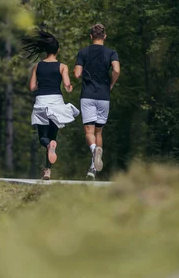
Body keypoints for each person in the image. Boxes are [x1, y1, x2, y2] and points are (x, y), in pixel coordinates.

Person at [21, 30, 80, 180]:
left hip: (42, 101)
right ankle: (48, 170)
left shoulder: (37, 66)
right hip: (56, 103)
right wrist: (70, 87)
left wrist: (39, 83)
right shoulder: (62, 67)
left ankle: (48, 149)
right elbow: (67, 85)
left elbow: (32, 87)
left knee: (43, 137)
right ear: (57, 50)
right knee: (53, 137)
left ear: (45, 50)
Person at [74, 23, 120, 180]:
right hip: (104, 96)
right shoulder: (111, 52)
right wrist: (111, 84)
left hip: (87, 95)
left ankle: (94, 150)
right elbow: (116, 70)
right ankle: (93, 168)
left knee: (89, 132)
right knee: (99, 132)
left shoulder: (83, 52)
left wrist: (81, 72)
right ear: (104, 36)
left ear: (91, 37)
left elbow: (77, 74)